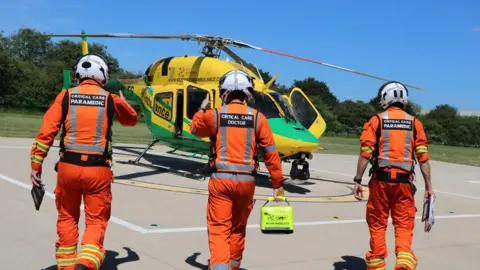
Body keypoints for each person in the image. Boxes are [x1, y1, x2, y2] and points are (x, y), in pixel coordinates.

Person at [30, 53, 138, 270]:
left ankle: (68, 267)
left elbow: (46, 134)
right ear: (103, 75)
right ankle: (86, 263)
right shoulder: (110, 98)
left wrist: (36, 165)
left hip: (68, 167)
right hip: (98, 170)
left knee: (67, 217)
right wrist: (123, 101)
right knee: (96, 221)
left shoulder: (65, 96)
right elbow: (131, 120)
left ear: (78, 74)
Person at [190, 69, 286, 270]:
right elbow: (270, 153)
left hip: (221, 181)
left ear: (224, 93)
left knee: (219, 229)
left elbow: (195, 129)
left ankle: (219, 266)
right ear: (247, 93)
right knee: (237, 228)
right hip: (247, 182)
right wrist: (277, 183)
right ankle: (232, 266)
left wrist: (201, 108)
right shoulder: (258, 118)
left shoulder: (215, 115)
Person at [352, 81, 435, 270]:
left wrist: (357, 180)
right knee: (404, 225)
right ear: (404, 99)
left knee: (377, 224)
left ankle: (377, 265)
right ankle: (404, 263)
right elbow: (423, 158)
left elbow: (365, 154)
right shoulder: (415, 123)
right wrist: (429, 187)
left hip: (380, 182)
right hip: (405, 183)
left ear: (385, 98)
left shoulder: (376, 121)